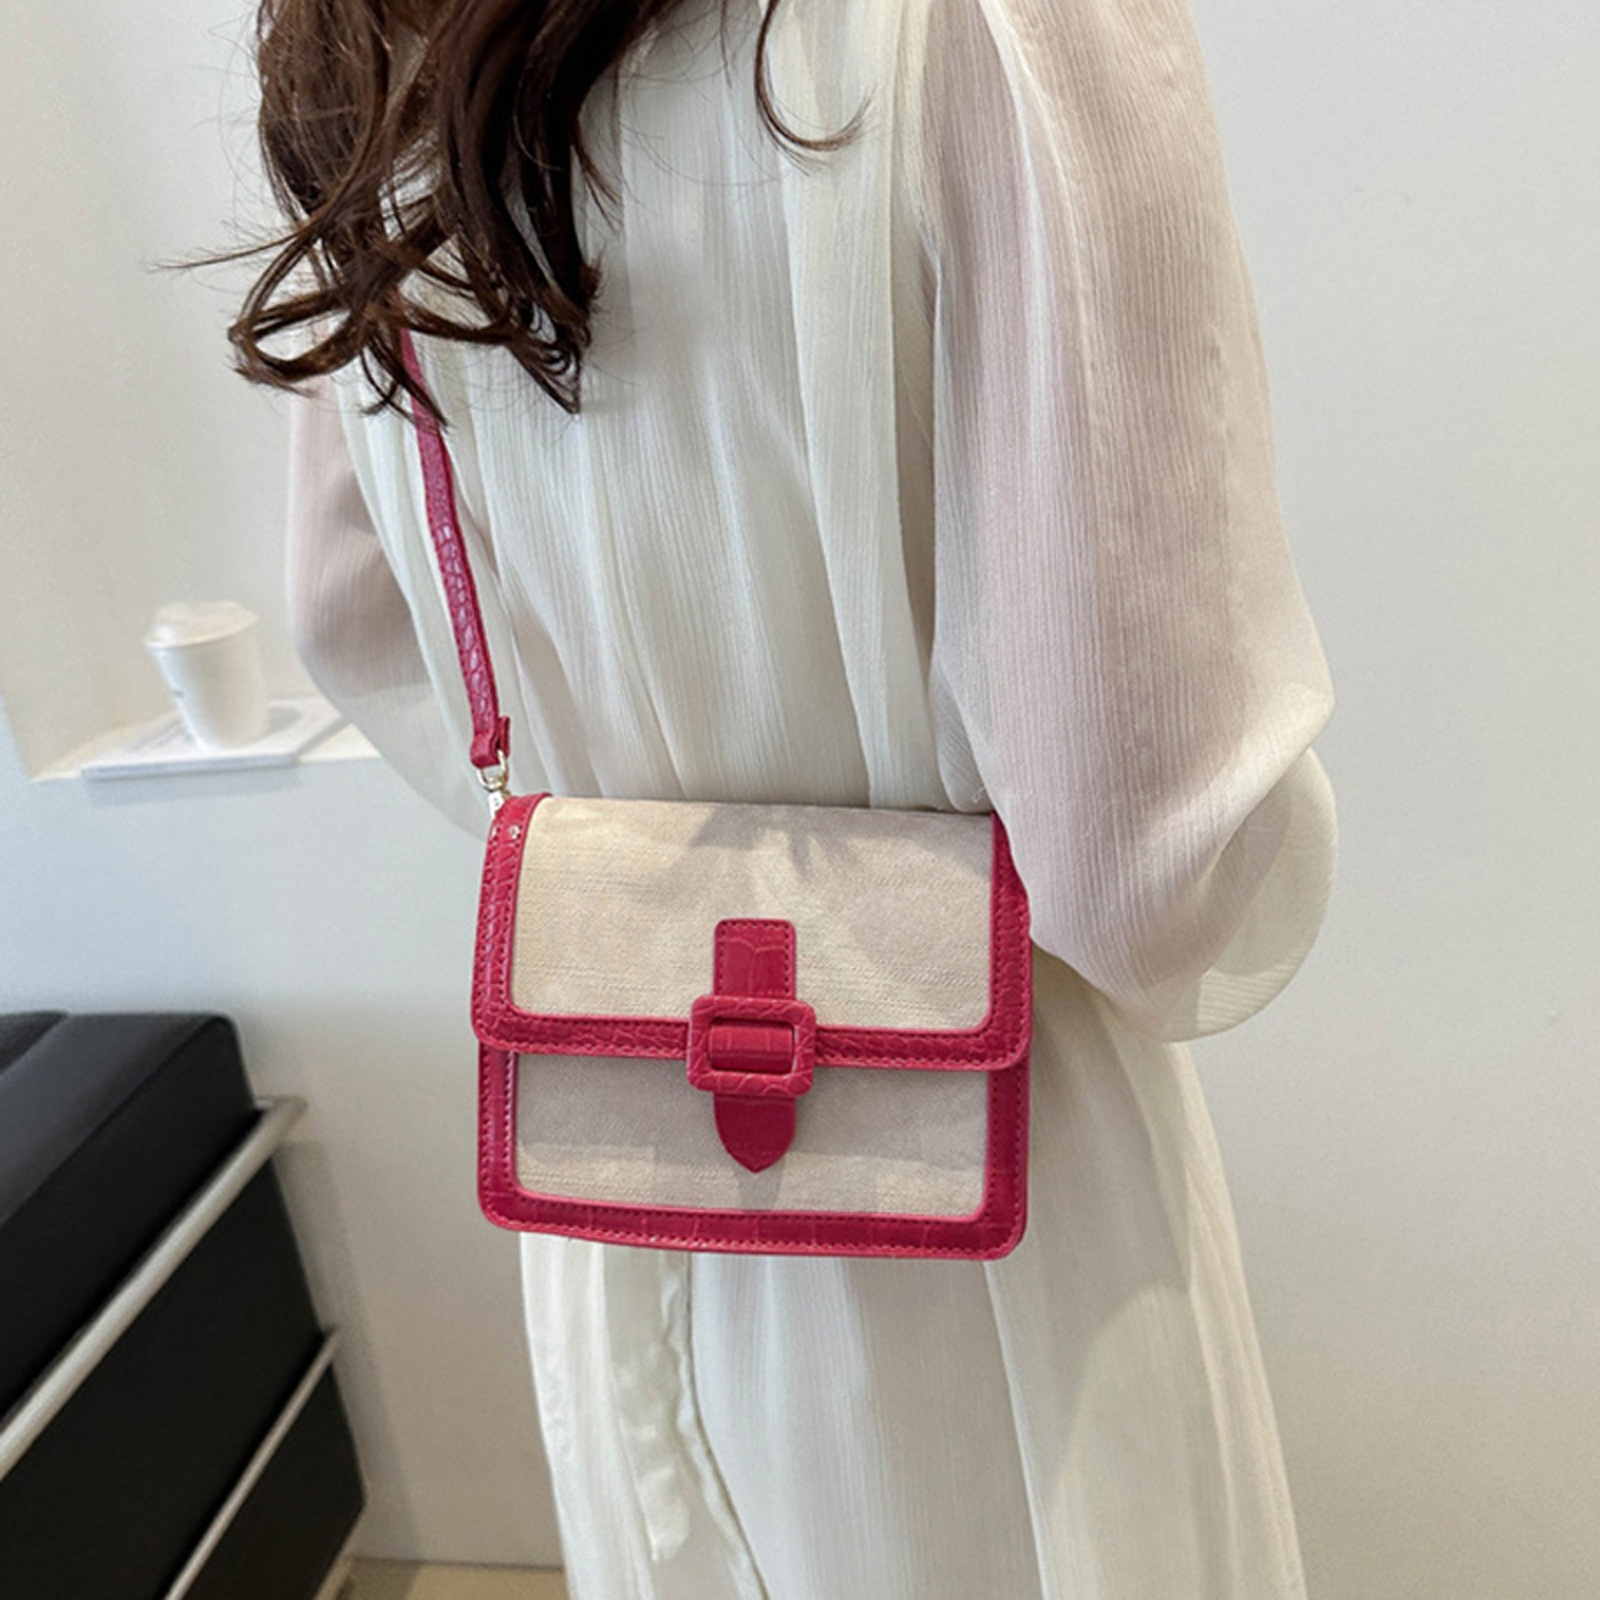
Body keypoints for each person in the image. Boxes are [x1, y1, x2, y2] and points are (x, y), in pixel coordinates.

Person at [247, 0, 1337, 1594]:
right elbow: (1150, 870)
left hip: (617, 1187)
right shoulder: (1001, 26)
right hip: (994, 1242)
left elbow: (350, 618)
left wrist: (624, 872)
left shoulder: (365, 58)